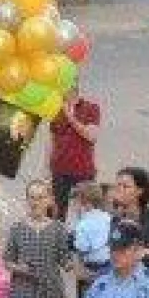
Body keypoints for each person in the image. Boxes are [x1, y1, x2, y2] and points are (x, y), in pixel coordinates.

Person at [48, 83, 101, 217]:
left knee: (86, 212)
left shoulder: (91, 108)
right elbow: (51, 141)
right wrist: (46, 171)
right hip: (59, 170)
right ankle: (59, 237)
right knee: (56, 213)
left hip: (83, 171)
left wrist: (70, 117)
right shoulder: (55, 110)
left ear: (74, 87)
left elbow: (91, 136)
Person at [112, 164, 149, 279]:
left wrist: (147, 253)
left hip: (147, 279)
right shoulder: (111, 217)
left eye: (125, 186)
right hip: (118, 278)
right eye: (118, 185)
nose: (119, 189)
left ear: (139, 190)